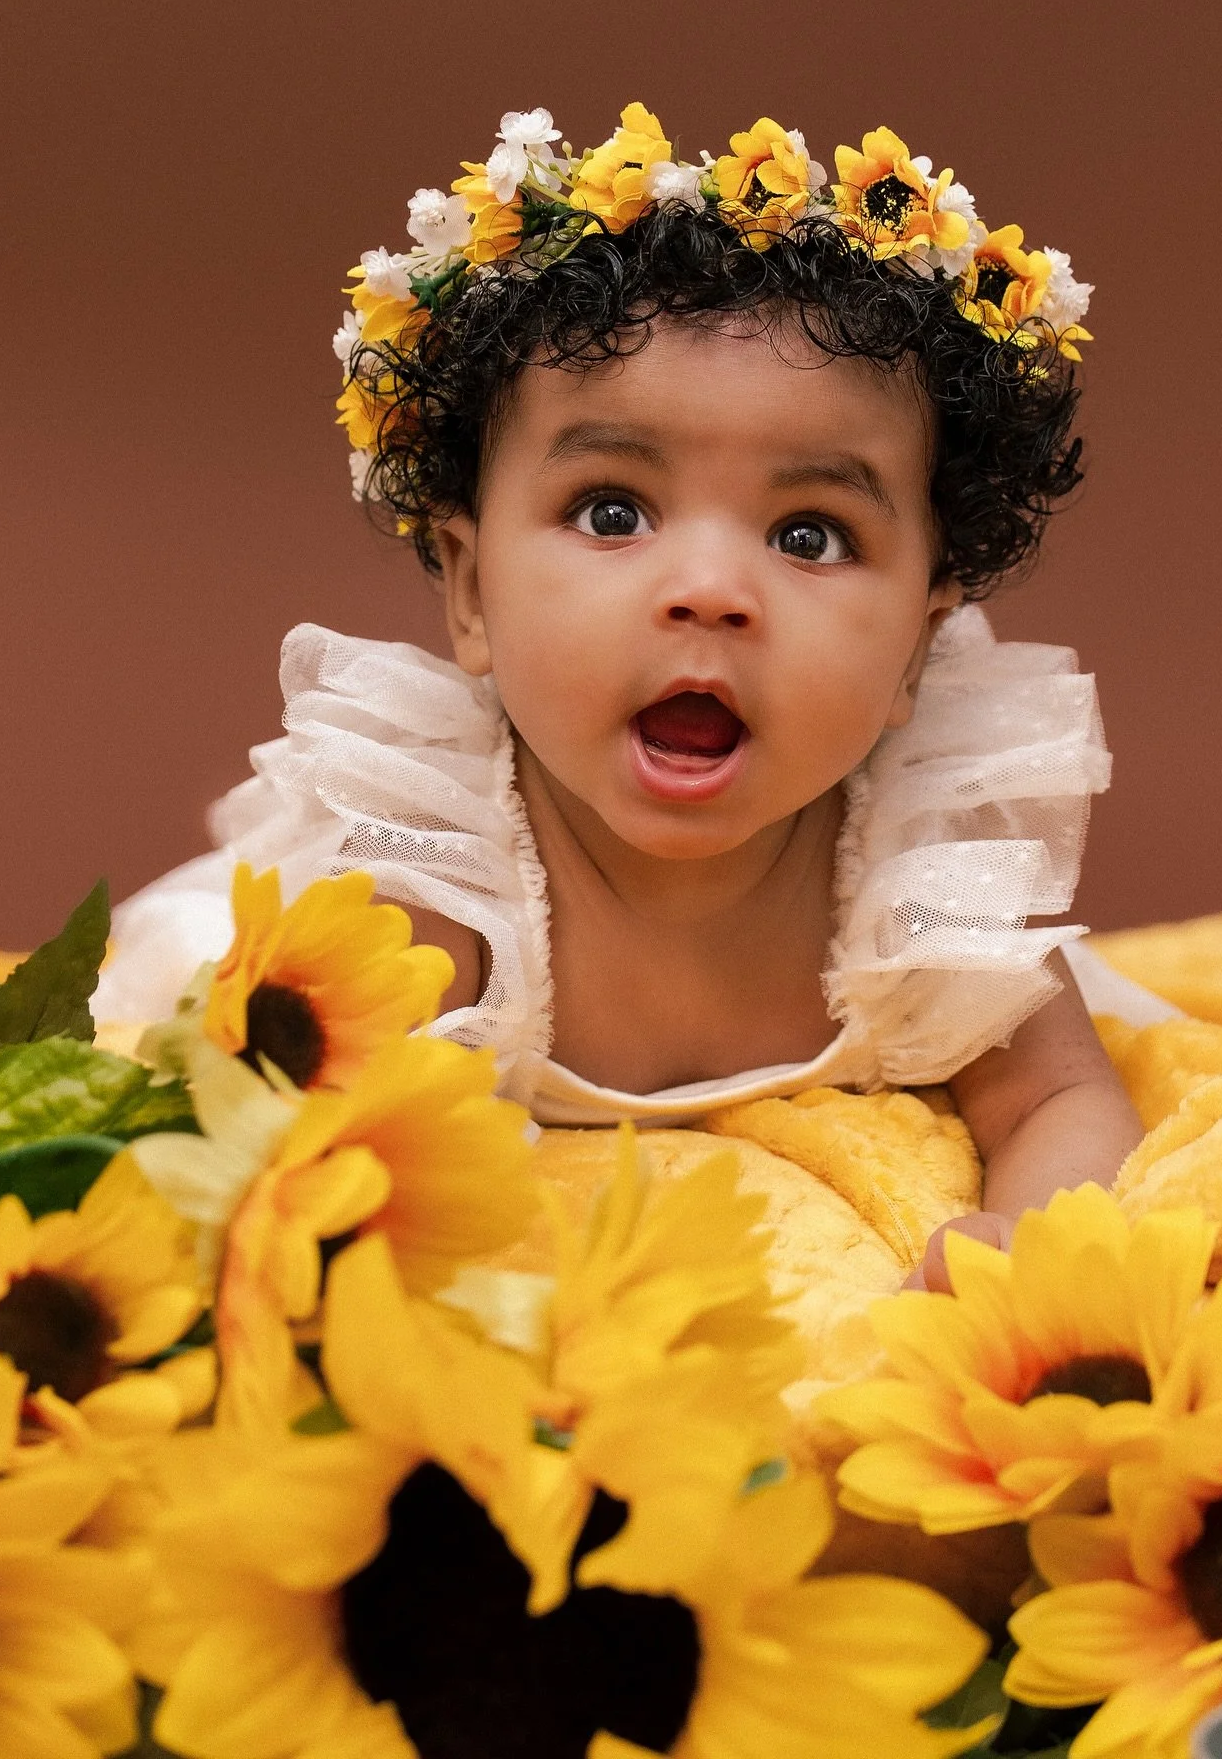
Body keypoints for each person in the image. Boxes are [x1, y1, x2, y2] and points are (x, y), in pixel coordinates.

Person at [96, 104, 1156, 1291]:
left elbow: (1063, 1098)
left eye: (809, 534)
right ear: (471, 594)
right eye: (614, 512)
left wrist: (1029, 1240)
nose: (709, 591)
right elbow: (296, 1158)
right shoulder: (439, 886)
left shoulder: (924, 871)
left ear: (921, 639)